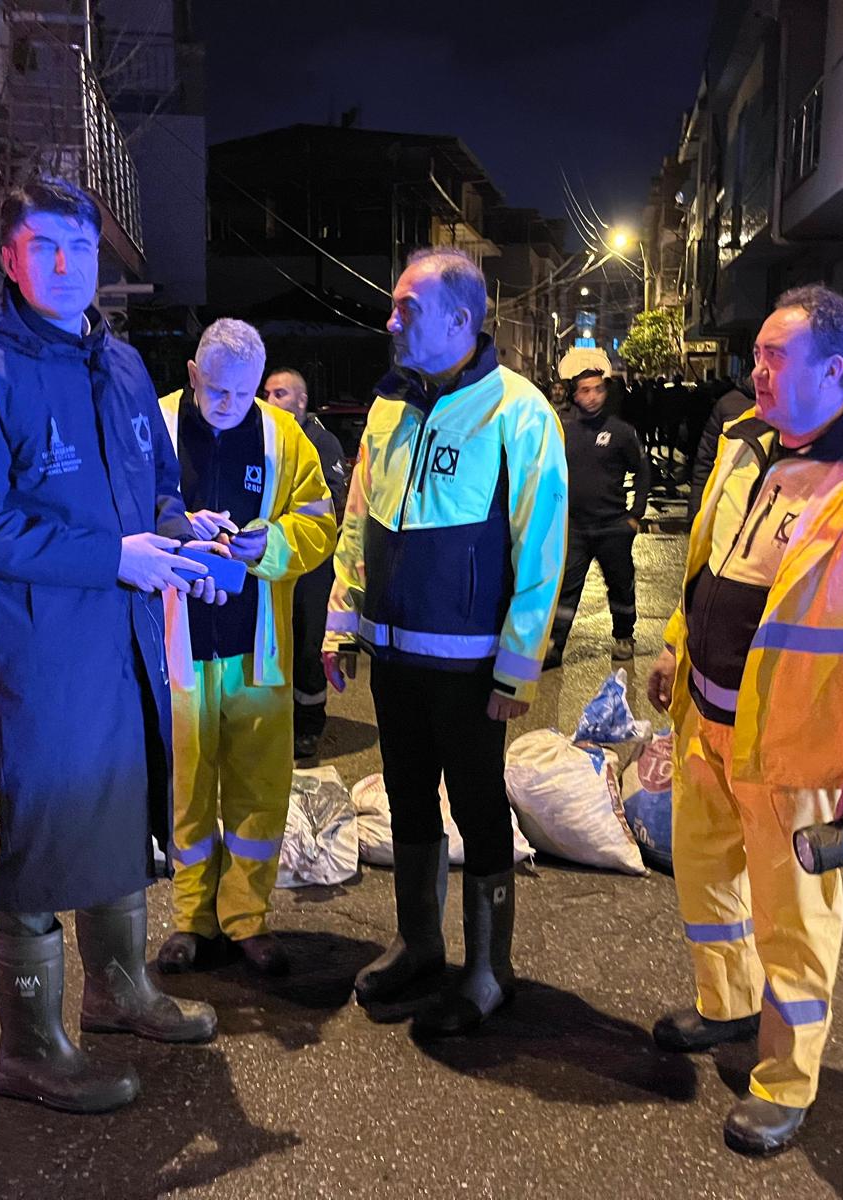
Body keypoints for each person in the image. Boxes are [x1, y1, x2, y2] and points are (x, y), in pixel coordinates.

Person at [0, 177, 219, 1115]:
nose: (66, 264)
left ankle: (119, 990)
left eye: (82, 248)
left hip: (130, 641)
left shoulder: (124, 365)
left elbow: (158, 484)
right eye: (45, 246)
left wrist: (184, 538)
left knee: (123, 810)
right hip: (48, 652)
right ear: (10, 258)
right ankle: (29, 1049)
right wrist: (113, 557)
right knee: (46, 834)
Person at [646, 284, 843, 1155]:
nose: (757, 371)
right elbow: (713, 568)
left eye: (777, 356)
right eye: (759, 354)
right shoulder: (752, 448)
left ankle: (785, 1081)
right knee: (706, 879)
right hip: (708, 722)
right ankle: (728, 1005)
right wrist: (673, 648)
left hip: (793, 748)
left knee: (795, 922)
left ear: (834, 369)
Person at [324, 247, 567, 1038]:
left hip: (469, 666)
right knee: (405, 797)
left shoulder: (518, 412)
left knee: (479, 806)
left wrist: (517, 667)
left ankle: (490, 971)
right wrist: (340, 619)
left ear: (461, 319)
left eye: (408, 308)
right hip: (393, 656)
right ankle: (419, 944)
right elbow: (358, 522)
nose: (390, 321)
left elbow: (540, 548)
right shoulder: (388, 406)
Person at [155, 322, 338, 977]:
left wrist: (270, 543)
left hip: (257, 648)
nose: (229, 405)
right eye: (216, 390)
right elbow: (124, 511)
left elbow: (320, 521)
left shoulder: (284, 436)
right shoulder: (156, 425)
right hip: (176, 646)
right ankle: (190, 919)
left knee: (260, 787)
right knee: (185, 788)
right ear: (192, 373)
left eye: (243, 392)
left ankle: (245, 919)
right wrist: (175, 530)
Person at [544, 347, 652, 668]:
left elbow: (643, 471)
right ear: (574, 394)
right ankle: (554, 645)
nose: (592, 396)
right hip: (575, 528)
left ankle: (624, 636)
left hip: (613, 527)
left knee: (620, 584)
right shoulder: (563, 430)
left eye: (598, 390)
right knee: (565, 589)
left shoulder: (621, 432)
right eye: (585, 391)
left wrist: (635, 515)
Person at [263, 367, 350, 759]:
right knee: (277, 643)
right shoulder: (267, 437)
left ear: (301, 400)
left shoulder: (321, 441)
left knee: (306, 643)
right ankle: (280, 721)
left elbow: (331, 502)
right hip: (276, 559)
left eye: (280, 393)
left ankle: (309, 726)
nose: (270, 400)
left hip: (312, 565)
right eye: (267, 393)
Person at [689, 375, 756, 522]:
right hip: (727, 512)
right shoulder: (728, 404)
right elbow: (705, 462)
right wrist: (696, 514)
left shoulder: (794, 406)